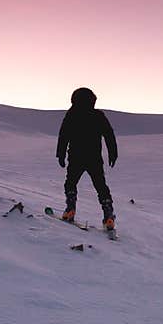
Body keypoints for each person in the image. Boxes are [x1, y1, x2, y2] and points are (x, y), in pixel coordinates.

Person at [56, 87, 118, 230]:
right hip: (94, 158)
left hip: (76, 157)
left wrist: (60, 154)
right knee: (101, 186)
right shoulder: (98, 115)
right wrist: (113, 153)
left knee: (70, 183)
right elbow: (109, 135)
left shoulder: (71, 115)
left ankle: (70, 208)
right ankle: (108, 214)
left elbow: (63, 135)